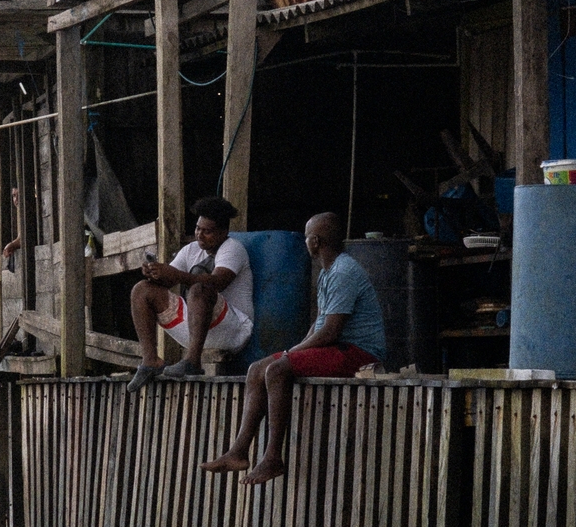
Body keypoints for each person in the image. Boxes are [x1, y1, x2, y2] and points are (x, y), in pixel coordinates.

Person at [204, 212, 386, 485]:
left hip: (359, 353)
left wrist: (292, 354)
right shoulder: (328, 272)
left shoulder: (343, 271)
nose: (305, 243)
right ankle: (239, 451)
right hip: (338, 347)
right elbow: (319, 323)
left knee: (277, 370)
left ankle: (273, 457)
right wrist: (296, 349)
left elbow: (331, 332)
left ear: (315, 241)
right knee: (257, 369)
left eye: (306, 237)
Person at [125, 196, 253, 390]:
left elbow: (218, 282)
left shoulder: (233, 248)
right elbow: (170, 279)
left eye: (207, 231)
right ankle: (150, 361)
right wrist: (155, 274)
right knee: (141, 289)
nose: (200, 235)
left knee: (199, 289)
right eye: (197, 229)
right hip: (196, 328)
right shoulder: (191, 249)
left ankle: (192, 362)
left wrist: (176, 274)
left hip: (232, 331)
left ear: (223, 232)